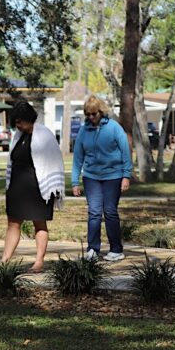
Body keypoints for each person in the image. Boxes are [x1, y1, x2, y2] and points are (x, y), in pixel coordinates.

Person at [2, 100, 65, 272]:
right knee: (13, 224)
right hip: (17, 187)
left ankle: (39, 262)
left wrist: (54, 189)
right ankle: (4, 261)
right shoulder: (18, 137)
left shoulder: (45, 136)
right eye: (15, 122)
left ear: (29, 118)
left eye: (20, 121)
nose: (17, 125)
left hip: (39, 189)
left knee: (40, 224)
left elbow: (54, 162)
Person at [71, 95, 132, 262]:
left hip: (113, 175)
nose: (91, 118)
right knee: (94, 212)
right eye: (88, 115)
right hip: (91, 177)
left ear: (101, 112)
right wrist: (75, 181)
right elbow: (78, 157)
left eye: (94, 114)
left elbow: (125, 151)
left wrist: (126, 175)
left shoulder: (113, 127)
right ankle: (93, 249)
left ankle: (116, 250)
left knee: (110, 211)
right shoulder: (84, 130)